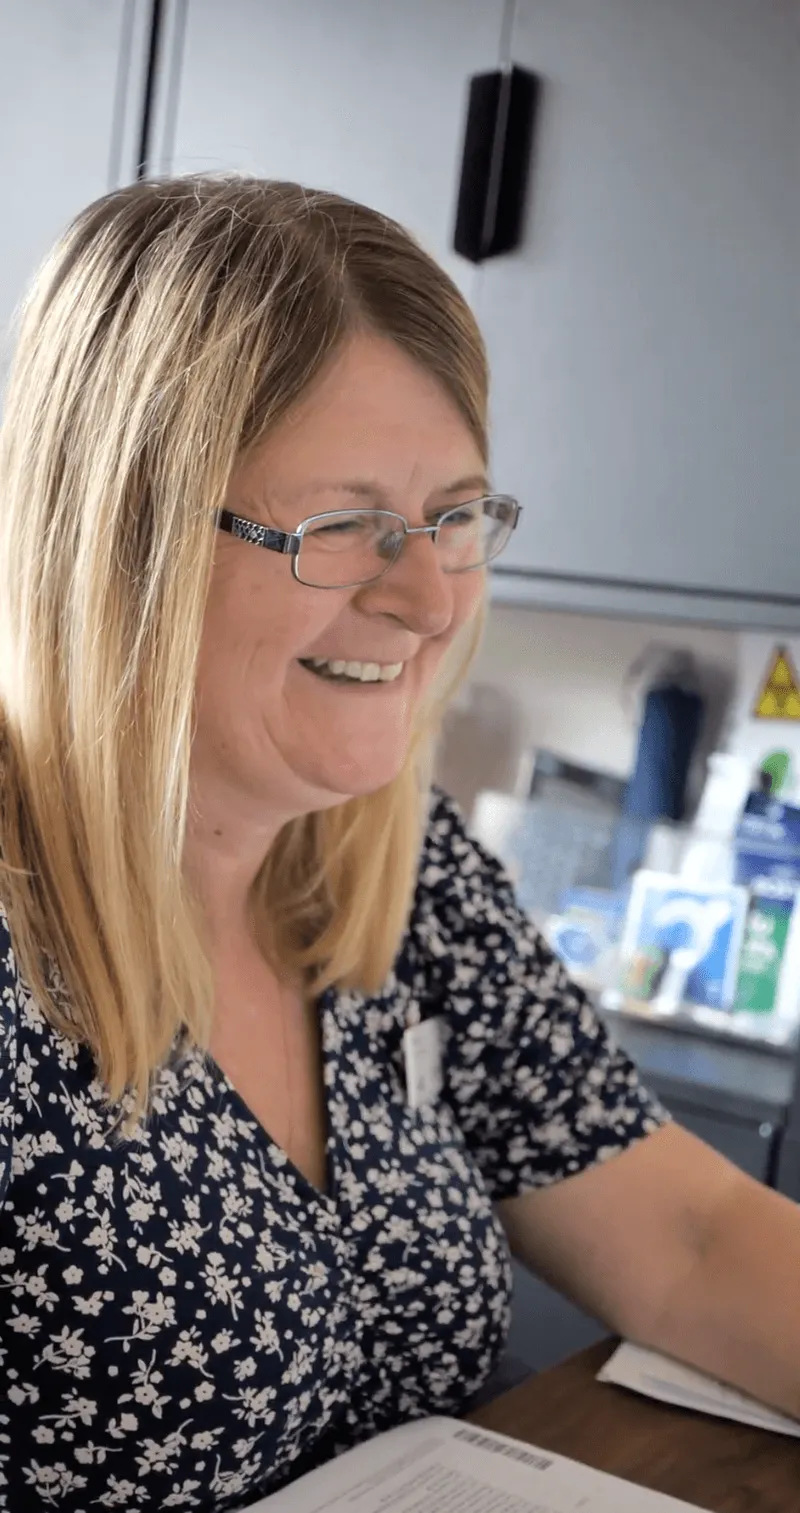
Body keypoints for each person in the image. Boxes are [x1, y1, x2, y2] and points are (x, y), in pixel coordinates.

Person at [0, 177, 797, 1513]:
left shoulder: (393, 865)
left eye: (455, 517)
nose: (428, 597)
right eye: (338, 526)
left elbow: (688, 1234)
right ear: (121, 536)